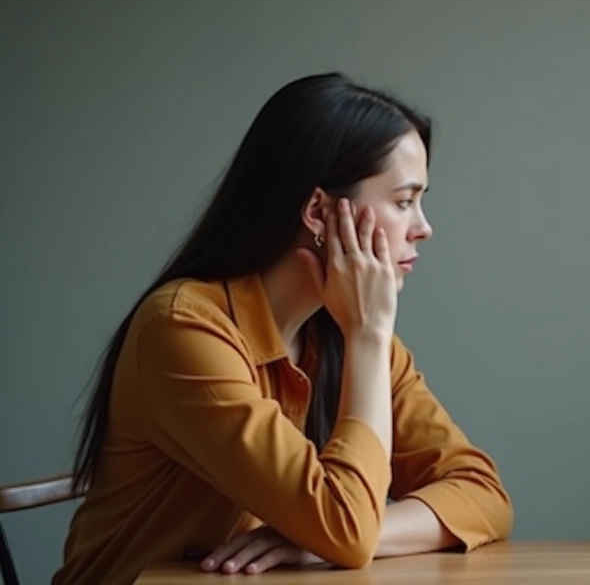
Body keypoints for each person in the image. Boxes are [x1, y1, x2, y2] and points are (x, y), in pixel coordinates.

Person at [53, 73, 513, 585]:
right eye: (404, 201)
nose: (423, 227)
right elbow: (344, 529)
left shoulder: (347, 334)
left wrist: (323, 539)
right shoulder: (183, 329)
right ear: (319, 211)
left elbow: (482, 493)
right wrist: (368, 336)